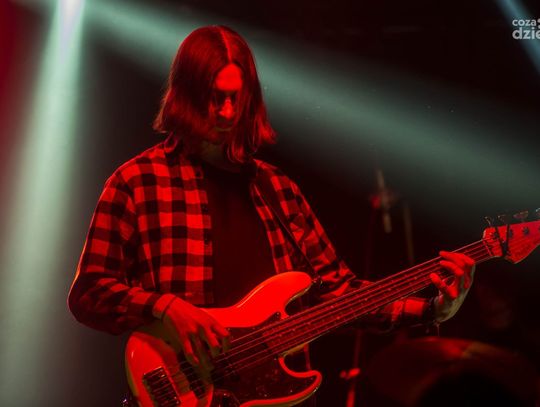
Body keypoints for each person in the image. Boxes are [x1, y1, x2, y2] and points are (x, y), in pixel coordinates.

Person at [68, 25, 475, 404]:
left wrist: (430, 308)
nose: (227, 112)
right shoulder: (137, 182)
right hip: (183, 390)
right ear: (185, 94)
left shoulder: (276, 190)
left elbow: (338, 292)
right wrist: (165, 307)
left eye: (236, 98)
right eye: (215, 97)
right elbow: (89, 294)